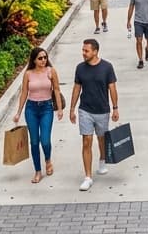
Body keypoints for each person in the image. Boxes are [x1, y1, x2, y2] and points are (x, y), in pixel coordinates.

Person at [68, 39, 119, 192]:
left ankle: (102, 160)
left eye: (86, 51)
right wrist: (72, 108)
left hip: (102, 110)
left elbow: (112, 88)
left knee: (102, 139)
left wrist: (115, 108)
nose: (83, 53)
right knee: (86, 141)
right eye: (83, 50)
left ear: (95, 51)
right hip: (85, 110)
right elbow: (77, 88)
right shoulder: (80, 68)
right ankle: (88, 177)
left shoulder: (107, 67)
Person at [13, 45, 64, 184]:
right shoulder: (28, 73)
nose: (43, 60)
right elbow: (24, 93)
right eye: (40, 58)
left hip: (47, 108)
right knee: (34, 142)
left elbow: (57, 90)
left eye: (45, 57)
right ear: (34, 60)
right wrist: (18, 112)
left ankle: (48, 160)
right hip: (31, 109)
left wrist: (59, 109)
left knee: (45, 140)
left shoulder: (51, 71)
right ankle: (37, 171)